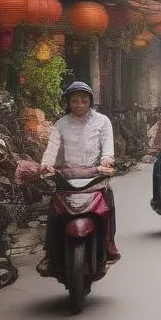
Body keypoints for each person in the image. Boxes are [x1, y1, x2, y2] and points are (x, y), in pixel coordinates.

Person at [38, 82, 119, 274]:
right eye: (75, 100)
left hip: (95, 176)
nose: (80, 104)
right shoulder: (61, 124)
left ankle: (109, 245)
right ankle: (49, 254)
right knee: (54, 212)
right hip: (68, 178)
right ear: (69, 102)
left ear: (90, 101)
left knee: (109, 204)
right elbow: (51, 149)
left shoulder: (103, 121)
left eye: (84, 100)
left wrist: (107, 160)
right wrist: (46, 164)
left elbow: (108, 148)